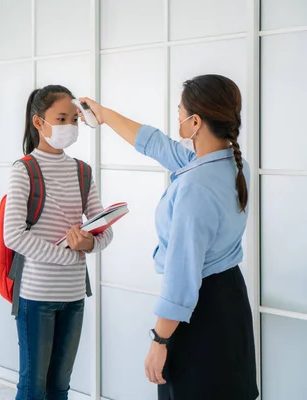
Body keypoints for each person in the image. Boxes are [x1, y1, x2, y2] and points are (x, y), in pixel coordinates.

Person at [80, 74, 258, 399]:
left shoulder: (196, 186)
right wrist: (103, 114)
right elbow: (156, 144)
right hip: (230, 297)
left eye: (179, 111)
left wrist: (159, 342)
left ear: (195, 122)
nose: (176, 116)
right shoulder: (233, 165)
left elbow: (181, 279)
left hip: (200, 311)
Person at [4, 85, 114, 400]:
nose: (69, 126)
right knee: (33, 388)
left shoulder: (82, 171)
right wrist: (70, 257)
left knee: (60, 387)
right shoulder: (24, 169)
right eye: (61, 118)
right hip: (36, 296)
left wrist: (88, 246)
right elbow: (13, 235)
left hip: (74, 295)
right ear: (39, 123)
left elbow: (104, 230)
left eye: (74, 120)